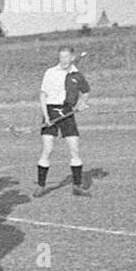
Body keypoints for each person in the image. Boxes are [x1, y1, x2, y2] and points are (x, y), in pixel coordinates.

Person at [35, 46, 91, 197]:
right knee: (48, 149)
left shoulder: (77, 75)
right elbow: (42, 95)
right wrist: (46, 117)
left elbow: (85, 92)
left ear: (72, 57)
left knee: (75, 149)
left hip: (67, 112)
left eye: (66, 57)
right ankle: (41, 185)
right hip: (51, 112)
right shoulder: (50, 72)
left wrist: (81, 103)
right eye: (61, 57)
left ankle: (77, 186)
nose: (63, 60)